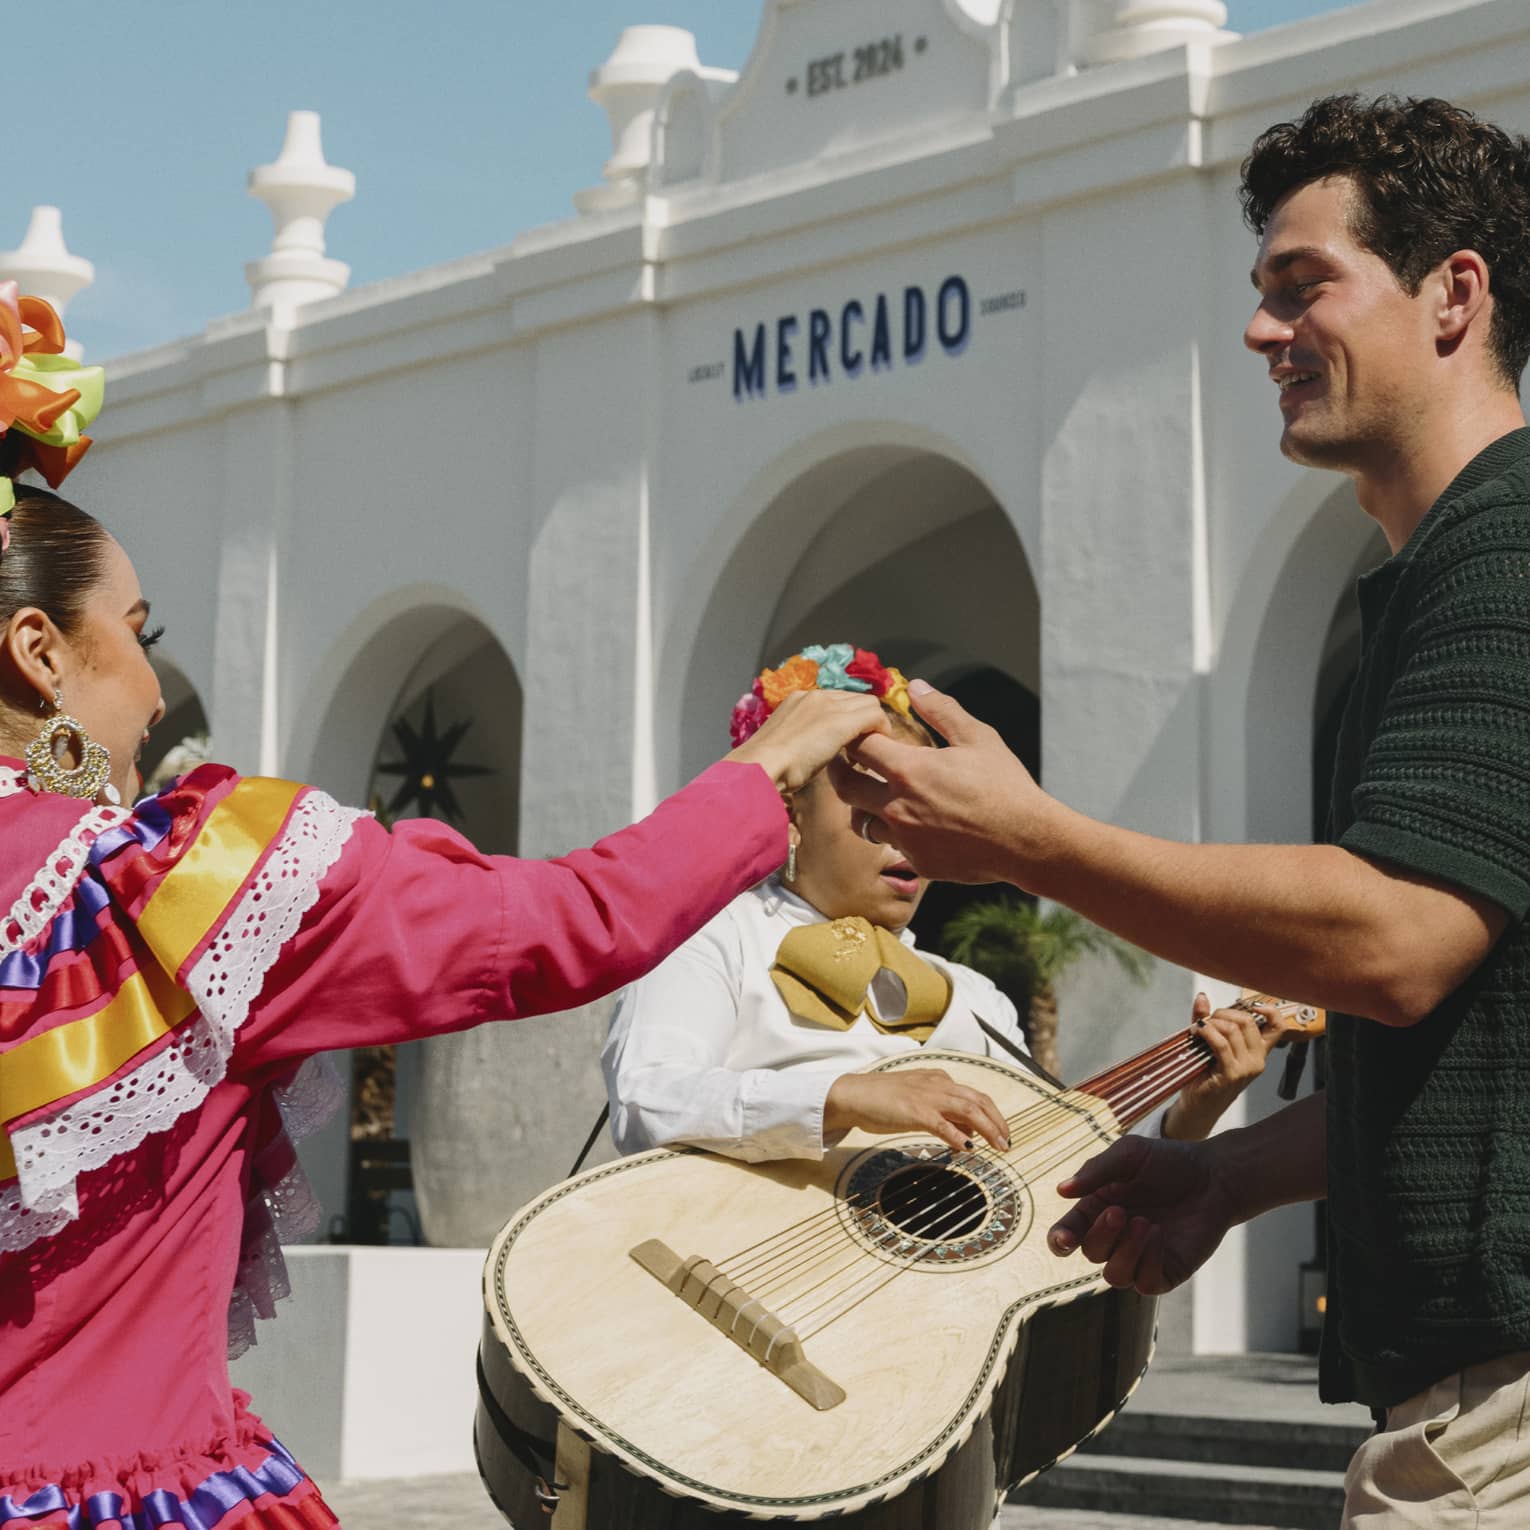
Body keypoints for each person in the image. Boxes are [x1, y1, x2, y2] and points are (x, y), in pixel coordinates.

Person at [0, 288, 888, 1526]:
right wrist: (758, 775)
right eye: (137, 633)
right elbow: (560, 927)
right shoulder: (181, 889)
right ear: (42, 652)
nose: (155, 686)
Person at [830, 94, 1530, 1526]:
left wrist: (1030, 838)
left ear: (1454, 291)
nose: (1261, 333)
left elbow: (1394, 945)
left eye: (1300, 287)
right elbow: (1468, 1056)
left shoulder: (1505, 544)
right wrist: (1228, 1173)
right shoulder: (1434, 569)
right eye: (1258, 296)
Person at [605, 643, 1278, 1166]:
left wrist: (1189, 1113)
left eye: (915, 803)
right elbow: (647, 1100)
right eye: (870, 796)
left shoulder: (975, 999)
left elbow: (1049, 1164)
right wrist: (844, 1096)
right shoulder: (711, 937)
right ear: (791, 811)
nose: (900, 824)